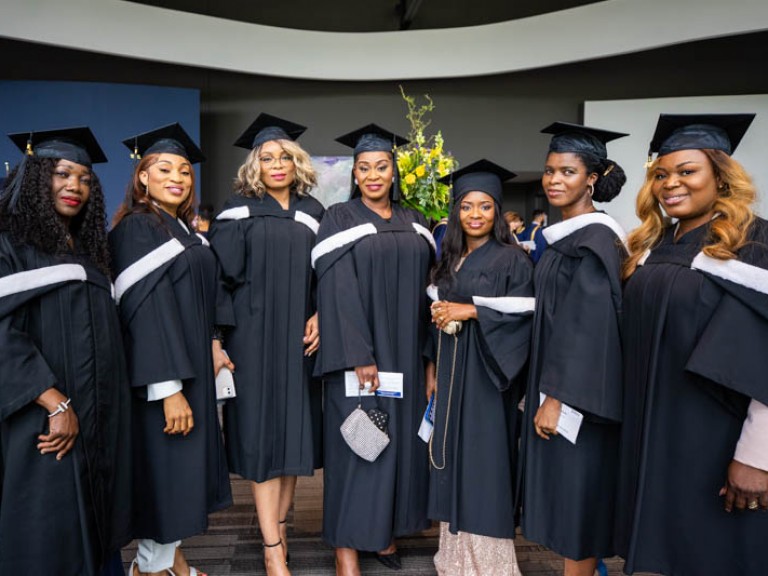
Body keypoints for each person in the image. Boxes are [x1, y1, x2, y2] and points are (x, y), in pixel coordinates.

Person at [616, 113, 768, 576]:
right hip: (655, 433)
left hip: (716, 441)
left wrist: (757, 455)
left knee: (714, 555)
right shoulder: (654, 244)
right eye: (661, 174)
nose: (670, 184)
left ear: (720, 177)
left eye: (687, 171)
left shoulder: (752, 245)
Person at [0, 127, 131, 574]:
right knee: (47, 522)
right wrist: (54, 401)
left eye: (84, 178)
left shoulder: (89, 252)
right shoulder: (11, 243)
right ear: (37, 178)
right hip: (42, 411)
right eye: (61, 174)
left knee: (97, 515)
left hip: (98, 411)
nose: (74, 186)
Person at [110, 124, 232, 576]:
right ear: (142, 176)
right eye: (164, 169)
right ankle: (149, 568)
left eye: (184, 170)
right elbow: (147, 315)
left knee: (179, 472)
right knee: (166, 473)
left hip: (191, 367)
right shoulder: (139, 229)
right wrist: (167, 389)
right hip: (163, 375)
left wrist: (214, 343)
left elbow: (200, 297)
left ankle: (171, 560)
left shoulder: (180, 228)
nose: (177, 177)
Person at [313, 124, 434, 576]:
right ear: (355, 174)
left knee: (397, 444)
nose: (373, 175)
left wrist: (428, 359)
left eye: (381, 166)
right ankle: (346, 545)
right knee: (358, 442)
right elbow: (336, 290)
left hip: (404, 354)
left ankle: (383, 532)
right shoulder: (338, 219)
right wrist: (359, 352)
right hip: (359, 356)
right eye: (363, 168)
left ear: (394, 171)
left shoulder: (416, 221)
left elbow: (429, 296)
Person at [208, 113, 324, 576]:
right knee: (260, 440)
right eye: (267, 157)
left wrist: (321, 313)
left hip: (299, 338)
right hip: (252, 339)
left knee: (293, 439)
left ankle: (278, 529)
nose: (277, 165)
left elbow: (326, 276)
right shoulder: (235, 212)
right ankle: (272, 547)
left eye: (285, 157)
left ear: (297, 163)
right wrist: (216, 339)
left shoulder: (314, 214)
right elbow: (218, 283)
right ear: (255, 164)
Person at [517, 122, 629, 576]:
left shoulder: (595, 240)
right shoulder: (564, 238)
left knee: (577, 503)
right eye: (549, 171)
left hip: (576, 397)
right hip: (560, 387)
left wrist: (556, 398)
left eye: (567, 171)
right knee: (569, 502)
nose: (554, 180)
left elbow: (587, 327)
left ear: (592, 179)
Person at [425, 160, 534, 576]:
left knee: (484, 462)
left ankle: (490, 566)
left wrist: (471, 311)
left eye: (485, 207)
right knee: (453, 456)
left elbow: (526, 318)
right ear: (456, 213)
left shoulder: (513, 260)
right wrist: (431, 369)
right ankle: (456, 559)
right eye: (467, 207)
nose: (475, 215)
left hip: (490, 378)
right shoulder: (449, 259)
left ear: (498, 212)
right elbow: (433, 316)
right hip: (452, 374)